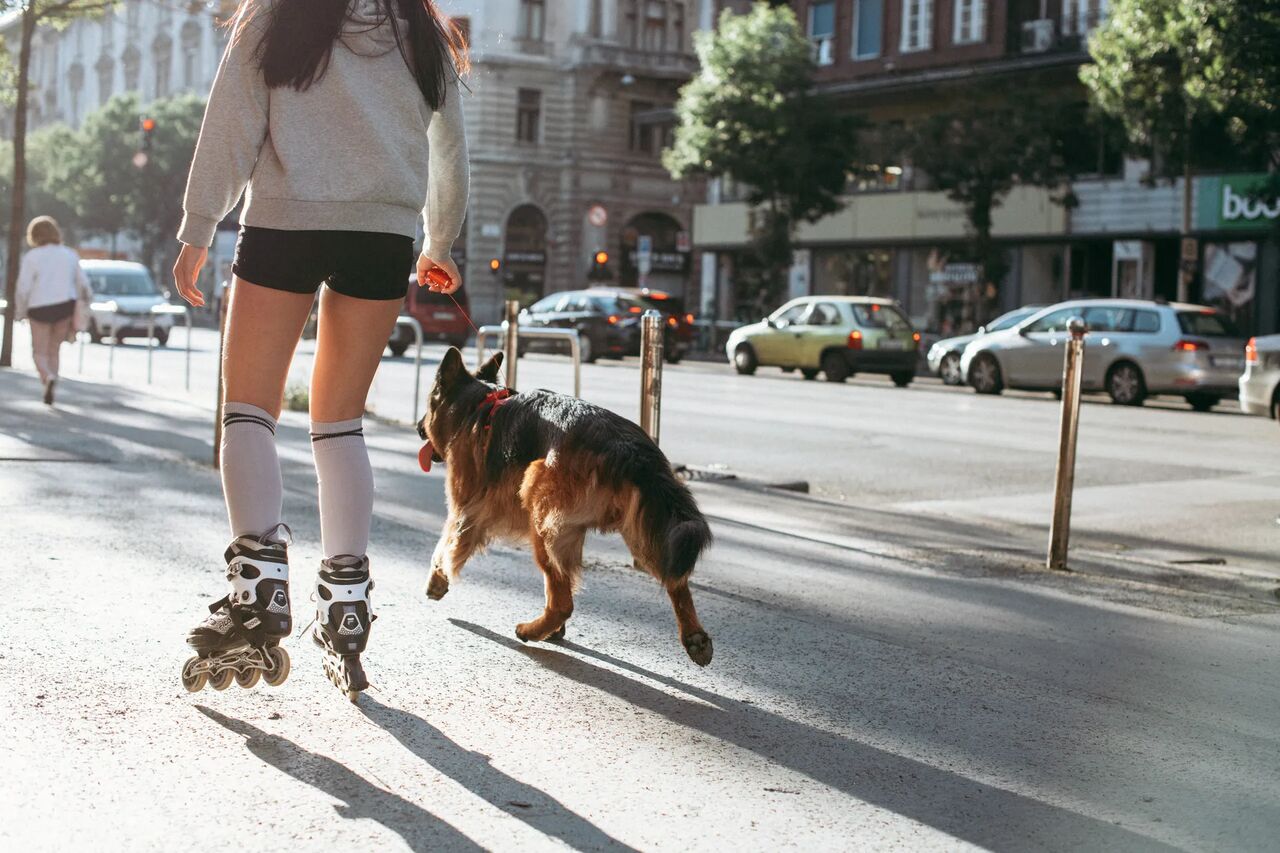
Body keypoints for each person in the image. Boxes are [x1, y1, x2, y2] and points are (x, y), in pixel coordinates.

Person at [171, 0, 469, 700]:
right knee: (339, 423)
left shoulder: (278, 12)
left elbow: (232, 117)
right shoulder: (422, 29)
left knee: (247, 411)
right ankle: (345, 606)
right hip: (381, 235)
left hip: (284, 221)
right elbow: (449, 143)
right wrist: (439, 243)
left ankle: (257, 595)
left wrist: (197, 227)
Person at [14, 216, 92, 405]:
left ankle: (47, 377)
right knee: (54, 349)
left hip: (38, 308)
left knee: (39, 351)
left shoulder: (32, 257)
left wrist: (21, 311)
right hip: (64, 307)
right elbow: (83, 284)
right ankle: (53, 378)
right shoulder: (69, 254)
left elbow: (23, 287)